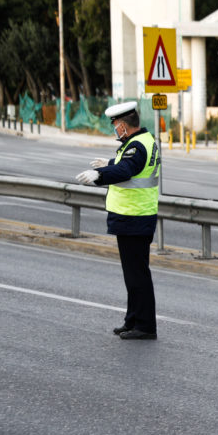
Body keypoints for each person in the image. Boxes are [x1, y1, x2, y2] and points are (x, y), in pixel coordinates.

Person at [75, 101, 161, 340]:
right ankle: (132, 320)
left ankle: (145, 326)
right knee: (133, 275)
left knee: (137, 275)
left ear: (123, 126)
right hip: (135, 216)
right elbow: (127, 166)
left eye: (115, 125)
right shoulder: (142, 141)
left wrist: (99, 175)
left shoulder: (137, 146)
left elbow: (127, 171)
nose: (114, 129)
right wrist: (109, 163)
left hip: (134, 216)